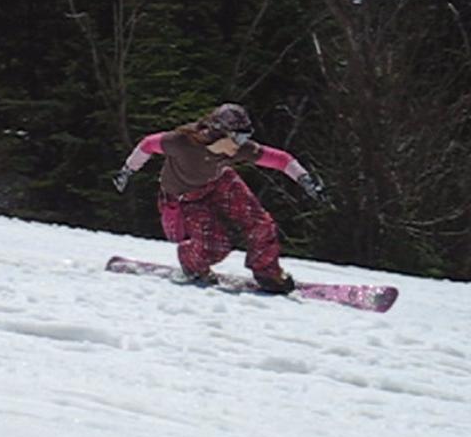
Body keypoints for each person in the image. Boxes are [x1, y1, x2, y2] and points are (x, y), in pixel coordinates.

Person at [112, 103, 325, 294]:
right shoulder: (181, 142)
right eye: (238, 137)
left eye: (246, 136)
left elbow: (281, 159)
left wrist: (305, 179)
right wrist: (127, 171)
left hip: (219, 182)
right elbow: (148, 144)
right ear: (219, 132)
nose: (242, 143)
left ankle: (267, 273)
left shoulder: (236, 149)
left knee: (260, 222)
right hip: (186, 198)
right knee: (215, 246)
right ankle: (192, 263)